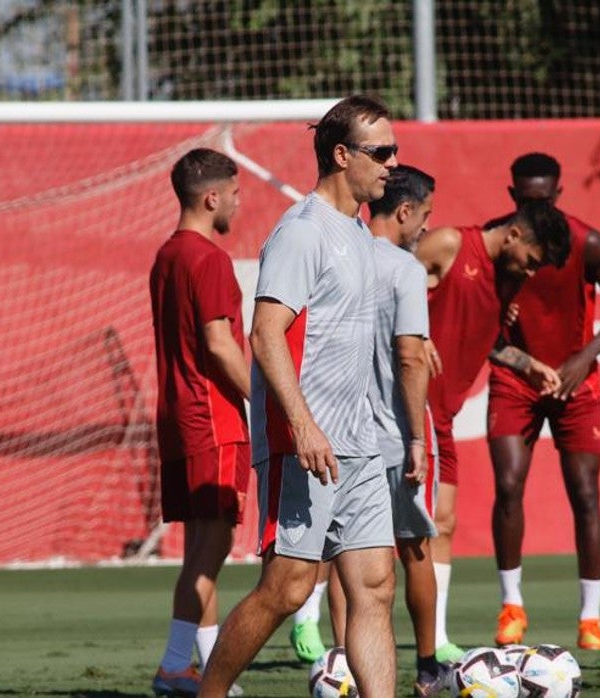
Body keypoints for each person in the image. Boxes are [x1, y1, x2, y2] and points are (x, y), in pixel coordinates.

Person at [198, 95, 400, 698]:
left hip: (359, 444)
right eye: (380, 151)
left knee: (375, 586)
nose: (391, 163)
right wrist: (305, 425)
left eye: (394, 151)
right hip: (303, 442)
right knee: (288, 588)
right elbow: (265, 334)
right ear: (342, 155)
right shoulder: (303, 231)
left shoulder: (360, 232)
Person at [483, 152, 600, 651]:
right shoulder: (497, 239)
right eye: (528, 200)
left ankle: (591, 619)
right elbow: (479, 315)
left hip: (576, 383)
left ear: (558, 194)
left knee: (586, 495)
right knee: (508, 485)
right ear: (513, 198)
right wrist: (511, 354)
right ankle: (512, 607)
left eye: (544, 199)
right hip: (516, 379)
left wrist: (582, 359)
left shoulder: (585, 240)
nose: (536, 208)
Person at [413, 188, 570, 663]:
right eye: (531, 260)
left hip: (442, 417)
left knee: (443, 522)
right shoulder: (449, 245)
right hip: (406, 407)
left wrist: (529, 364)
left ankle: (437, 642)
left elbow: (486, 340)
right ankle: (319, 627)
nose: (530, 270)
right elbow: (379, 293)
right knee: (370, 534)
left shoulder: (507, 282)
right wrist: (413, 338)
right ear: (515, 233)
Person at [147, 148, 251, 696]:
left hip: (179, 421)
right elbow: (219, 345)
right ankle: (172, 665)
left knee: (199, 553)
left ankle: (205, 670)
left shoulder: (167, 255)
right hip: (213, 420)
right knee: (210, 554)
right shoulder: (209, 259)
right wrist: (270, 395)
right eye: (234, 193)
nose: (239, 202)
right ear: (212, 198)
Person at [360, 164, 446, 694]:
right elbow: (411, 359)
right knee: (414, 548)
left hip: (342, 432)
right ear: (406, 210)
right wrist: (417, 437)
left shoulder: (337, 256)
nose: (427, 228)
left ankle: (345, 664)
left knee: (350, 553)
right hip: (395, 432)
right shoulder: (404, 268)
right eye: (427, 215)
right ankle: (427, 666)